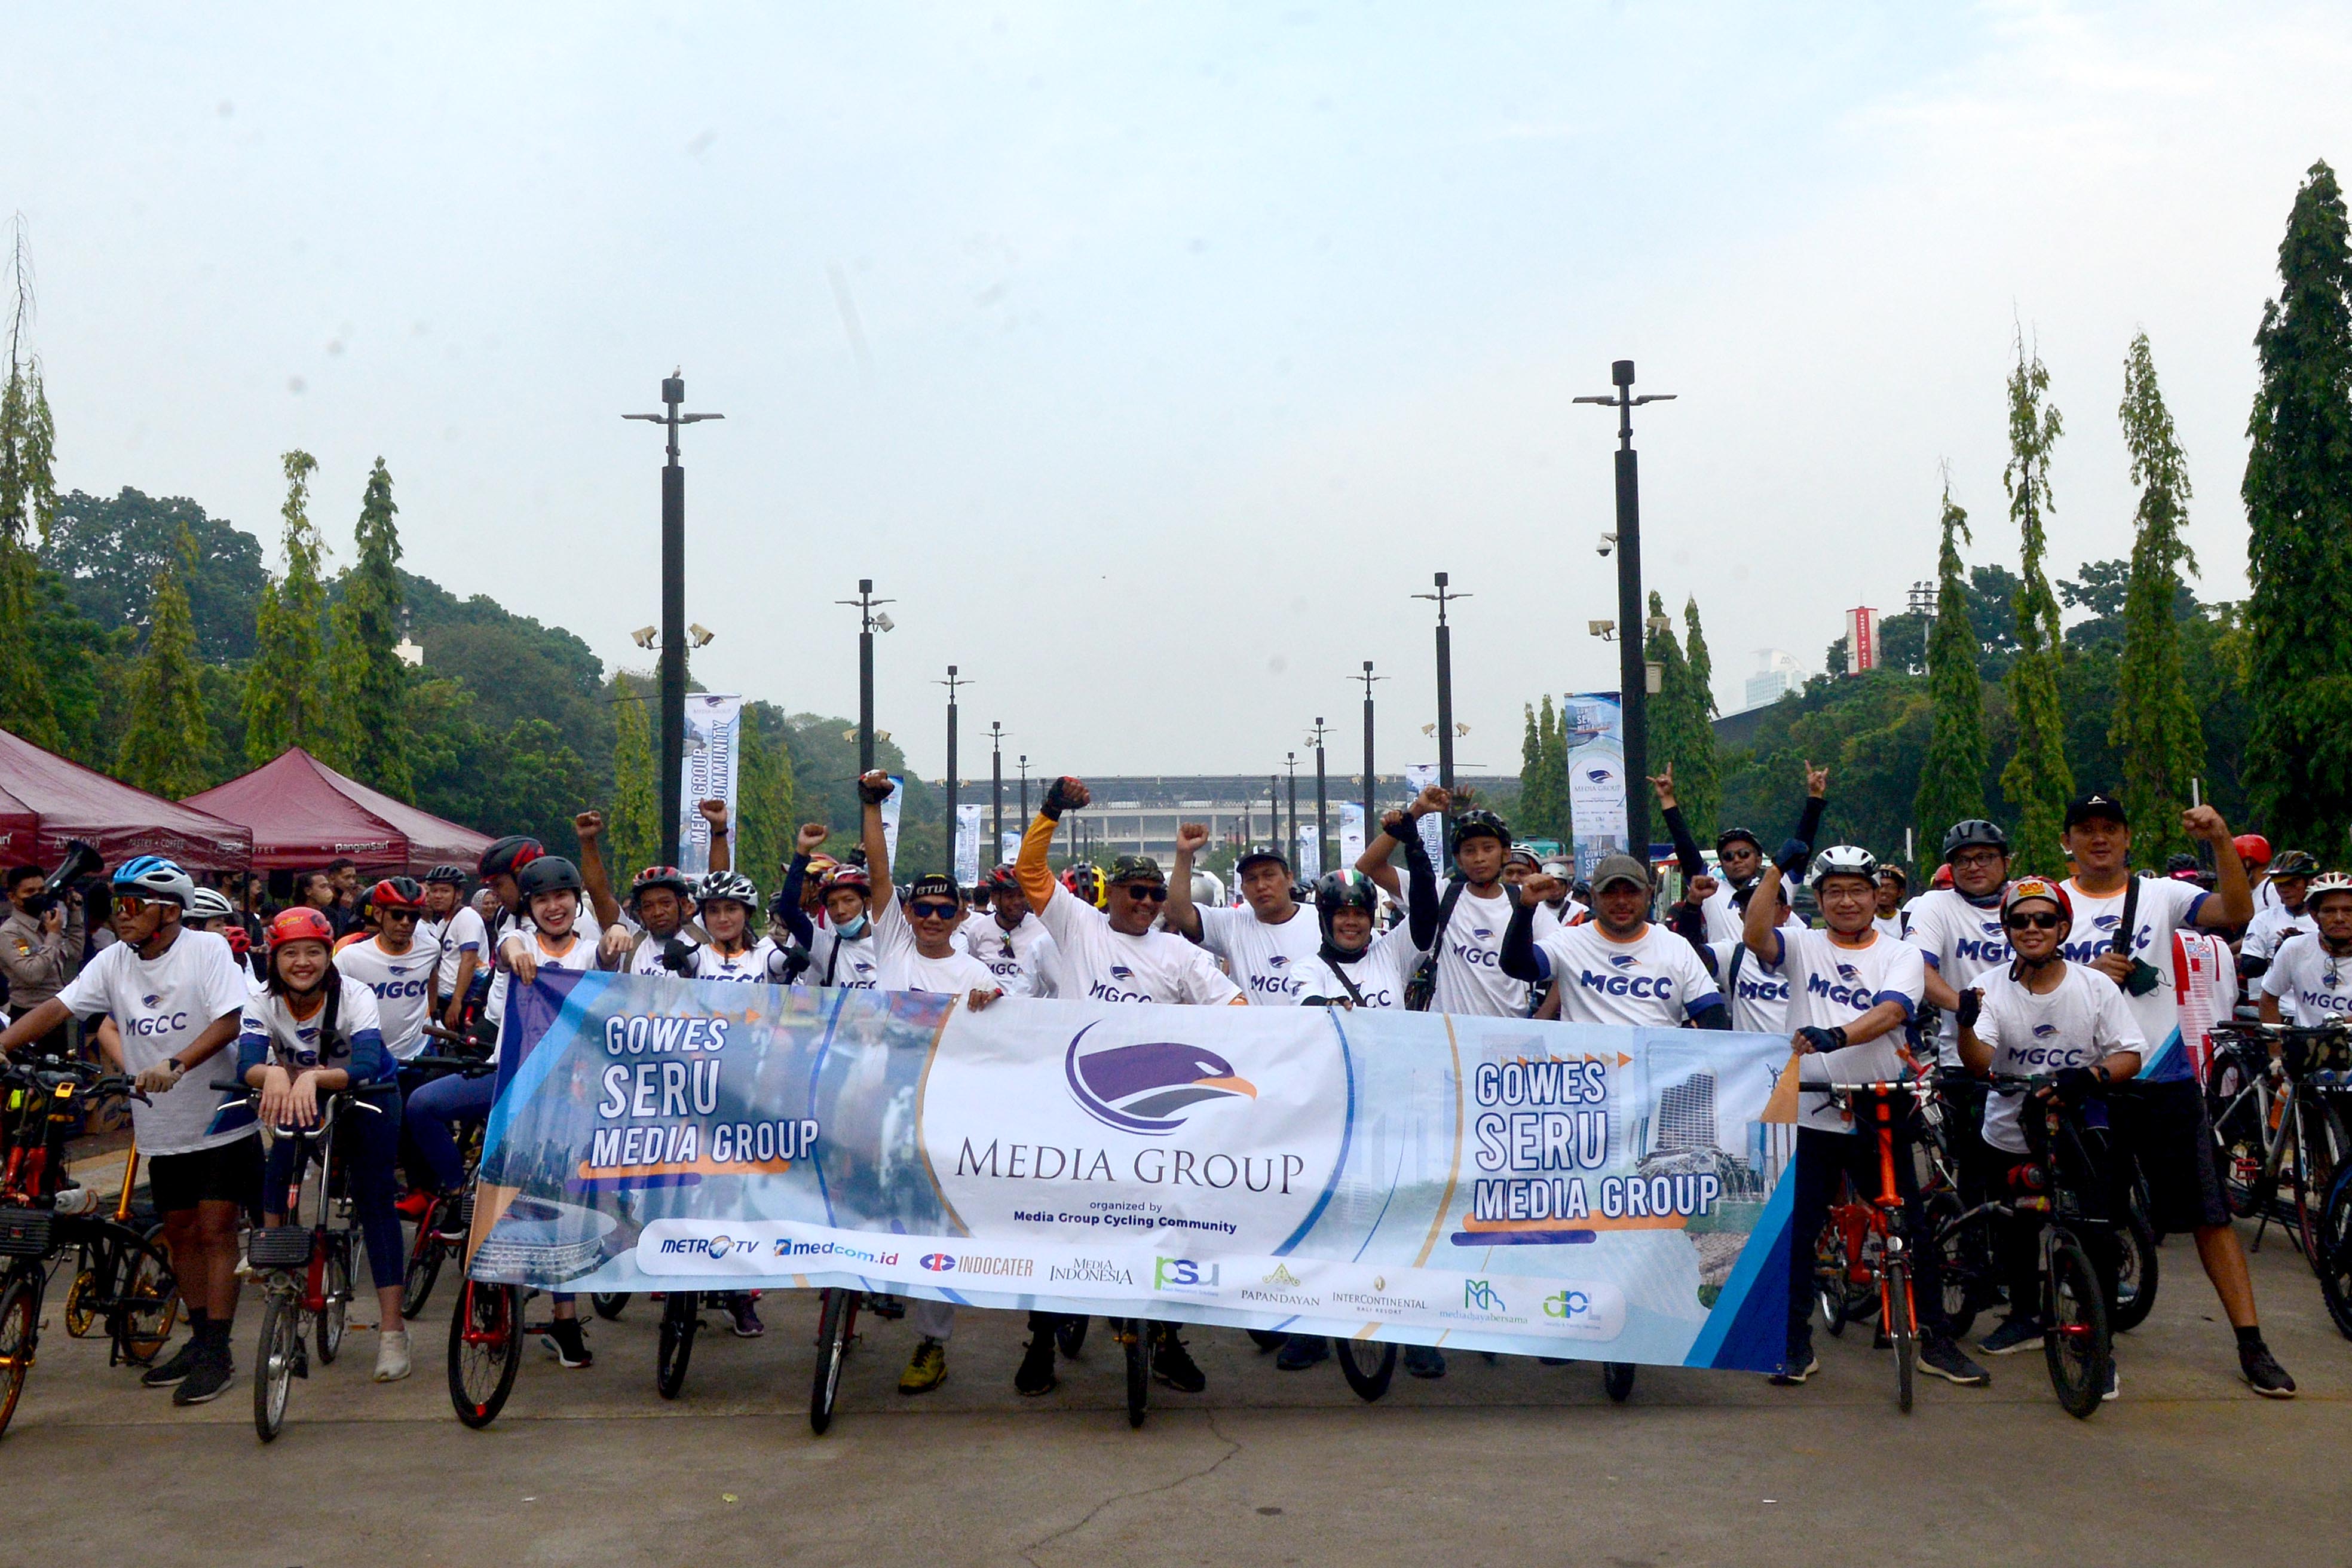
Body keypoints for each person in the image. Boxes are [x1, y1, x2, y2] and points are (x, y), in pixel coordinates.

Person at [1740, 790, 1989, 1391]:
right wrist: (1776, 869)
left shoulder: (1900, 951)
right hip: (1814, 1105)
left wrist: (1834, 1034)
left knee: (1911, 1222)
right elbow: (1754, 935)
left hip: (1881, 1099)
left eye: (1857, 890)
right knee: (1799, 1226)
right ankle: (1794, 1340)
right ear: (1819, 899)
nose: (1847, 900)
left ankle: (1934, 1338)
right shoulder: (1801, 943)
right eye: (1834, 891)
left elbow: (1893, 1011)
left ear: (1876, 895)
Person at [2053, 791, 2289, 1396]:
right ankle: (2094, 1339)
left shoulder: (2163, 895)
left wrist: (2220, 838)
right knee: (2094, 1220)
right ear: (2068, 842)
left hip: (2165, 1081)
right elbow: (2025, 978)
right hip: (2092, 1084)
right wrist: (2085, 976)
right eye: (2086, 829)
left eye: (2111, 828)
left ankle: (2252, 1342)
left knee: (2210, 1218)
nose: (2099, 838)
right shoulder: (2049, 904)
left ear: (2129, 838)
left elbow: (2235, 911)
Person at [1012, 776, 1241, 1399]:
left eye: (1153, 893)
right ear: (1111, 893)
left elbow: (1236, 1005)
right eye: (1134, 892)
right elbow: (1031, 871)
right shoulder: (1079, 927)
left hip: (1150, 1117)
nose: (1145, 902)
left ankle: (1166, 1340)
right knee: (1060, 1229)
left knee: (1169, 1227)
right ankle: (1039, 1340)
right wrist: (1050, 810)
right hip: (1077, 1108)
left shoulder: (1180, 954)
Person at [0, 856, 254, 1405]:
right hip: (161, 1122)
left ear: (169, 910)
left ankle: (219, 1350)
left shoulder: (206, 950)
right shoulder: (113, 961)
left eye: (133, 905)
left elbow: (230, 1020)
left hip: (219, 1118)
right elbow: (57, 1007)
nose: (121, 916)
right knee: (180, 1231)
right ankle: (199, 1336)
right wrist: (2, 1045)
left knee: (215, 1230)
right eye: (116, 905)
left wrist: (177, 1064)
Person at [409, 853, 601, 1368]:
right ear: (531, 907)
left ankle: (565, 1321)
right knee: (424, 1104)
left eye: (563, 897)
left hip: (568, 1096)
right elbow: (501, 995)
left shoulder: (594, 955)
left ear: (576, 902)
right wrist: (512, 948)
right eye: (542, 900)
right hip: (507, 1081)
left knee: (559, 1208)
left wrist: (619, 947)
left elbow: (617, 967)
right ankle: (452, 1194)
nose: (554, 907)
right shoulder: (513, 947)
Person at [1955, 877, 2142, 1398]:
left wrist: (2089, 1078)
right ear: (2007, 929)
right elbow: (1979, 1063)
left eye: (2043, 920)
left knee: (2095, 1234)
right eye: (2020, 920)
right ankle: (2023, 1316)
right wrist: (1967, 1027)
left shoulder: (2095, 986)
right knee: (2017, 1228)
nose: (2031, 929)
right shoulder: (1988, 988)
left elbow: (2129, 1053)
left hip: (2081, 1126)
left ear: (2062, 927)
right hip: (2010, 1128)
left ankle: (2097, 1346)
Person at [235, 906, 414, 1382]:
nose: (302, 962)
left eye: (313, 951)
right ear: (273, 959)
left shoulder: (355, 995)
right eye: (290, 953)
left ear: (328, 956)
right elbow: (246, 1064)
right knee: (282, 1159)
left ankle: (393, 1332)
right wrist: (274, 1072)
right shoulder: (259, 999)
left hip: (367, 1093)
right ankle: (272, 1258)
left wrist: (309, 1078)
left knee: (376, 1200)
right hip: (302, 1090)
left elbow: (368, 1064)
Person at [871, 850, 1007, 1395]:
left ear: (958, 917)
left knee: (934, 1225)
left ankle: (932, 1343)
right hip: (880, 1100)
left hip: (943, 1109)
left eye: (943, 910)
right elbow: (880, 877)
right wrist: (873, 806)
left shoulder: (974, 969)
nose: (931, 918)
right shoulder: (893, 947)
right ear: (907, 913)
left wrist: (992, 1001)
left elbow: (1005, 1030)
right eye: (922, 908)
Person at [1356, 786, 1526, 1017]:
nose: (1479, 858)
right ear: (1458, 859)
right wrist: (1415, 813)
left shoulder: (1524, 902)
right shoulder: (1442, 894)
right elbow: (1369, 866)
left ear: (1505, 854)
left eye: (1488, 849)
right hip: (1450, 1038)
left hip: (1512, 1036)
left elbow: (1561, 964)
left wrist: (1544, 1019)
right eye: (1469, 851)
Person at [1651, 765, 1812, 945]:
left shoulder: (1780, 884)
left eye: (1744, 854)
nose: (1736, 860)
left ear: (1758, 860)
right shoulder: (1712, 890)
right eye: (1728, 856)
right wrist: (1667, 799)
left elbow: (1802, 848)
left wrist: (1815, 798)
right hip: (1727, 970)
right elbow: (1685, 845)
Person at [1165, 834, 1322, 1002]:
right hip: (1251, 1028)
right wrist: (1184, 855)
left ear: (1289, 879)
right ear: (1243, 888)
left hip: (1310, 1027)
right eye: (1252, 879)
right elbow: (1178, 913)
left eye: (1269, 875)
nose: (1261, 886)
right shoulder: (1233, 924)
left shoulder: (1321, 922)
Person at [0, 862, 84, 1049]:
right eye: (29, 892)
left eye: (41, 890)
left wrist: (75, 914)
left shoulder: (46, 923)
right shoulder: (9, 933)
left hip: (55, 1014)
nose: (37, 896)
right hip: (26, 1016)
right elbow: (32, 974)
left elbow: (75, 953)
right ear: (13, 897)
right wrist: (53, 935)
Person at [2258, 872, 2352, 1027]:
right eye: (2329, 911)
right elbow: (2269, 998)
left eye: (2348, 910)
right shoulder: (2295, 949)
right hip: (2307, 1047)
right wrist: (2275, 1049)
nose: (2339, 918)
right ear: (2315, 915)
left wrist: (2340, 1025)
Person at [960, 863, 1059, 998]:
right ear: (994, 899)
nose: (1017, 902)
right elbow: (973, 971)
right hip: (989, 1011)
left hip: (1030, 1011)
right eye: (1010, 896)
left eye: (1021, 895)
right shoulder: (977, 930)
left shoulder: (1042, 929)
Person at [601, 865, 703, 976]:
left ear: (683, 904)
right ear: (640, 913)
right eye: (648, 906)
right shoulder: (633, 941)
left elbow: (717, 893)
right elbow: (599, 895)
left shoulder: (701, 934)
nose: (658, 912)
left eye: (666, 903)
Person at [422, 863, 487, 1027]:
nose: (438, 896)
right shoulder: (443, 924)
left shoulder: (467, 917)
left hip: (464, 999)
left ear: (458, 894)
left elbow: (469, 960)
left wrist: (457, 1002)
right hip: (445, 999)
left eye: (445, 891)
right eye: (434, 891)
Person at [2240, 849, 2319, 980]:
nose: (2284, 889)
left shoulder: (2325, 920)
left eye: (2291, 883)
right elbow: (2248, 969)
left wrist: (2304, 946)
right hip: (2273, 998)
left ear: (2310, 881)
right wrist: (2278, 955)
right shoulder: (2263, 920)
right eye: (2279, 884)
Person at [1873, 867, 1910, 938]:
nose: (1883, 891)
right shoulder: (1865, 922)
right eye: (1880, 886)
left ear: (1900, 893)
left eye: (1890, 887)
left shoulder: (1907, 921)